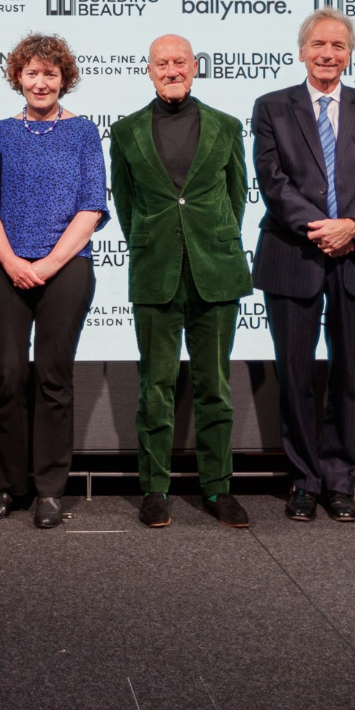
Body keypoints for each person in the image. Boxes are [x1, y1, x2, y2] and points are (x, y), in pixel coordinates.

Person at [252, 7, 355, 525]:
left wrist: (351, 226)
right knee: (295, 376)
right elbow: (273, 182)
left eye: (337, 46)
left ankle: (340, 482)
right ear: (301, 51)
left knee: (348, 374)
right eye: (318, 45)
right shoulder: (272, 106)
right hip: (294, 253)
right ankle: (303, 481)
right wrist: (321, 228)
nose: (327, 54)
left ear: (350, 54)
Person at [109, 34, 254, 530]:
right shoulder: (126, 132)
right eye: (161, 62)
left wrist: (207, 242)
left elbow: (237, 199)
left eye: (179, 61)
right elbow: (126, 208)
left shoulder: (228, 127)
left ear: (195, 67)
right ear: (148, 70)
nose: (171, 69)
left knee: (215, 386)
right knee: (156, 386)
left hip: (216, 270)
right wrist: (157, 243)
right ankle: (155, 487)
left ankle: (218, 488)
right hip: (155, 272)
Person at [0, 33, 108, 529]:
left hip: (66, 266)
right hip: (4, 263)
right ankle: (7, 485)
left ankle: (50, 490)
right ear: (18, 77)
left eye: (50, 74)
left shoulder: (83, 133)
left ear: (64, 79)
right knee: (7, 375)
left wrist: (51, 263)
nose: (40, 82)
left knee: (53, 376)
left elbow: (92, 205)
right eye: (31, 73)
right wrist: (13, 261)